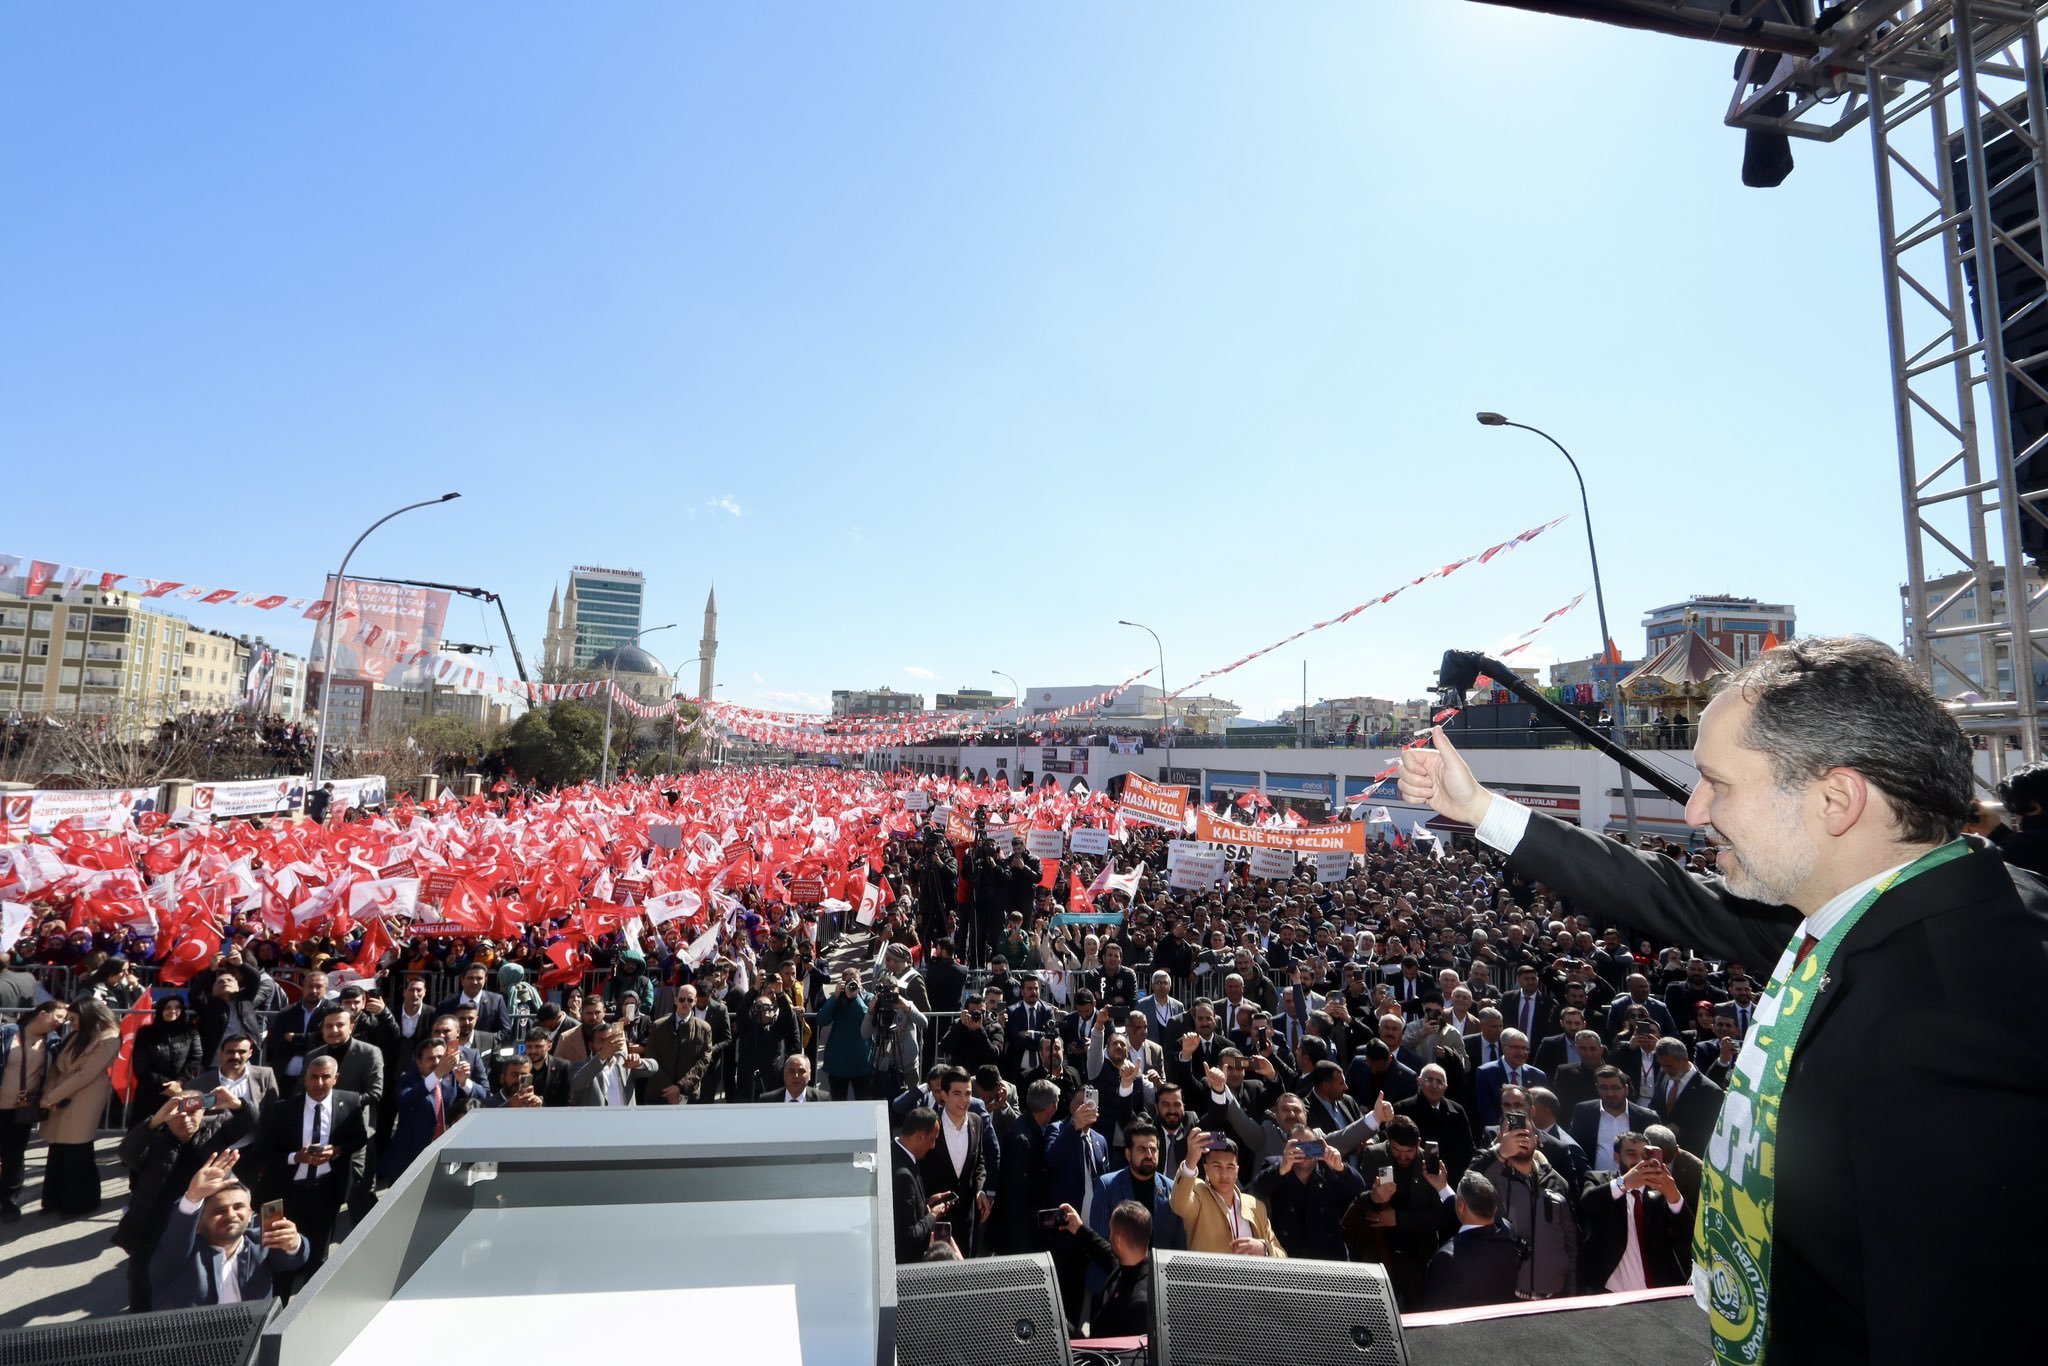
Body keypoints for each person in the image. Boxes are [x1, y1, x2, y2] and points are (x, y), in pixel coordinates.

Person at [1401, 634, 2048, 1364]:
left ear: (1837, 799)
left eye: (1719, 783)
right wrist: (1481, 807)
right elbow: (1667, 893)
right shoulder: (1887, 908)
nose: (1696, 811)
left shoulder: (1952, 1019)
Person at [252, 1054, 368, 1282]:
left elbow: (359, 1138)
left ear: (336, 1078)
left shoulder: (351, 1102)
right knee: (279, 1251)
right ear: (305, 1079)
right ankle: (278, 1308)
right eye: (313, 1077)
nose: (319, 1083)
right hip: (285, 1192)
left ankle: (308, 1306)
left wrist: (336, 1151)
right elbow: (263, 1152)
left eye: (326, 1077)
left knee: (318, 1256)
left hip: (326, 1191)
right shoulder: (281, 1109)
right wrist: (296, 1157)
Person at [1579, 1131, 1692, 1293]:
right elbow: (1587, 1204)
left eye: (1643, 1155)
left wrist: (1674, 1195)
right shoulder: (1599, 1180)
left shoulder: (1659, 1190)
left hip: (1658, 1293)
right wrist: (1624, 1183)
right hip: (1610, 1291)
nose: (1639, 1161)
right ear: (1616, 1157)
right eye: (1631, 1154)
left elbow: (1688, 1233)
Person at [38, 995, 121, 1215]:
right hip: (62, 1094)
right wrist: (51, 1094)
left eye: (74, 1019)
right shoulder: (77, 1035)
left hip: (85, 1097)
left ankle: (80, 1203)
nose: (70, 1023)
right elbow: (57, 1066)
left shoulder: (109, 1037)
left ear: (87, 1016)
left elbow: (87, 1074)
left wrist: (52, 1097)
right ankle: (54, 1200)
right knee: (58, 1150)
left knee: (78, 1151)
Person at [0, 998, 68, 1222]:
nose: (60, 1022)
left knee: (15, 1155)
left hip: (22, 1109)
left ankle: (9, 1201)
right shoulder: (7, 1033)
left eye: (63, 1019)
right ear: (42, 1013)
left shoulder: (53, 1042)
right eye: (57, 1016)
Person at [1168, 1127, 1283, 1257]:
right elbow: (1178, 1204)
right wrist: (1191, 1162)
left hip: (1251, 1276)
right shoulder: (1198, 1192)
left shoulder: (1256, 1206)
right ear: (1206, 1169)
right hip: (1209, 1276)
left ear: (1237, 1171)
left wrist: (1264, 1249)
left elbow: (1282, 1255)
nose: (1224, 1174)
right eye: (1217, 1166)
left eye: (1230, 1167)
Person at [1418, 1171, 1521, 1310]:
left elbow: (1435, 1315)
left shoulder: (1447, 1258)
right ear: (1495, 1208)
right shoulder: (1508, 1231)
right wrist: (1443, 1188)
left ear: (1460, 1206)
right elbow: (1474, 1222)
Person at [1056, 1199, 1154, 1340]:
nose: (1109, 1236)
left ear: (1119, 1240)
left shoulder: (1138, 1306)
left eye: (1111, 1231)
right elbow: (1106, 1252)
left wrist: (1062, 1327)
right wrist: (1079, 1228)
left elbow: (1107, 1352)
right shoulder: (1136, 1264)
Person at [892, 1107, 955, 1263]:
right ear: (920, 1137)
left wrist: (926, 1202)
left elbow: (902, 1207)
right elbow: (909, 1235)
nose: (933, 1146)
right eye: (932, 1139)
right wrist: (933, 1215)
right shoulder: (903, 1176)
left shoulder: (896, 1152)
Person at [644, 984, 716, 1105]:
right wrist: (668, 1088)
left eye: (690, 1000)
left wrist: (680, 1087)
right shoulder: (658, 1026)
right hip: (658, 1093)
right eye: (682, 999)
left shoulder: (704, 1028)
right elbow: (651, 1057)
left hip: (688, 1094)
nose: (685, 1003)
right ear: (675, 1000)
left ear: (695, 1002)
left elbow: (704, 1061)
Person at [131, 995, 204, 1103]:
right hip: (152, 1091)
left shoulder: (190, 1030)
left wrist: (179, 1082)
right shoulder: (146, 1033)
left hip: (182, 1090)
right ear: (160, 1010)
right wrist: (166, 1085)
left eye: (177, 1007)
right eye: (168, 1007)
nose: (173, 1011)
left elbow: (196, 1057)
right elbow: (140, 1066)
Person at [570, 1024, 658, 1106]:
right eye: (602, 1041)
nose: (607, 1044)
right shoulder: (580, 1066)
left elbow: (654, 1067)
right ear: (590, 1045)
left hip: (626, 1118)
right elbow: (577, 1084)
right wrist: (602, 1056)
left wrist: (639, 1063)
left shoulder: (623, 1060)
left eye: (610, 1040)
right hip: (598, 1120)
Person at [761, 1053, 828, 1104]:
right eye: (791, 1071)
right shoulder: (766, 1101)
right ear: (784, 1075)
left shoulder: (824, 1100)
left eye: (801, 1071)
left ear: (809, 1075)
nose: (796, 1076)